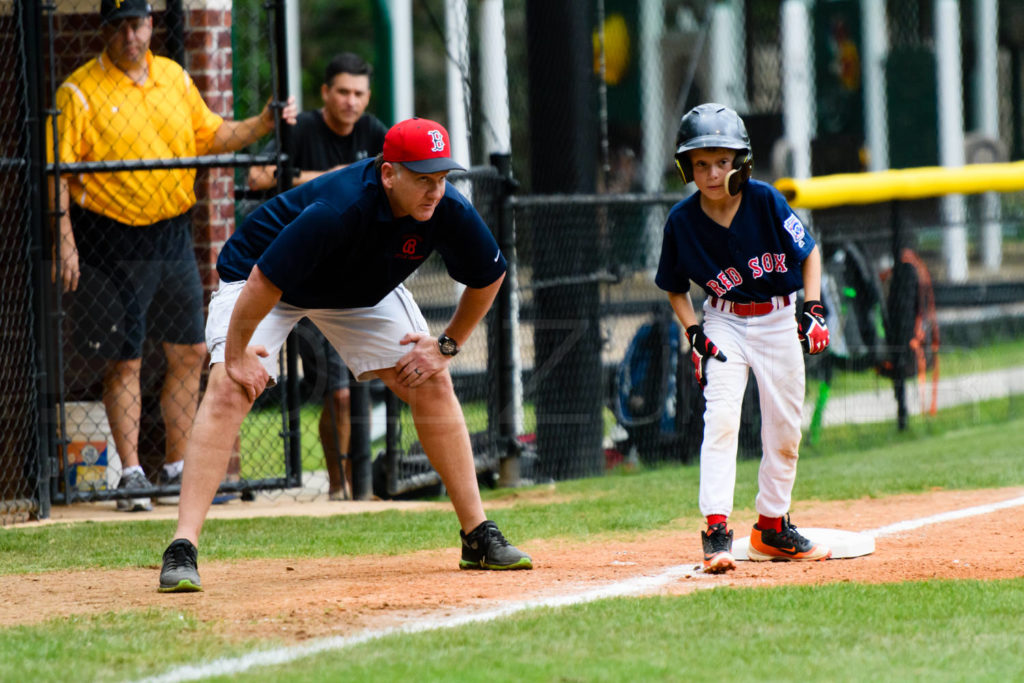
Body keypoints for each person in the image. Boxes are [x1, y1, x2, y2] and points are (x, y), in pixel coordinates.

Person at [158, 117, 533, 592]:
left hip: (357, 290)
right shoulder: (336, 208)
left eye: (441, 178)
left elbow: (489, 275)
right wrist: (234, 356)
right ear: (388, 173)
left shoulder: (446, 207)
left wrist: (445, 348)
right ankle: (181, 547)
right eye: (423, 178)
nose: (435, 191)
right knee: (230, 388)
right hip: (266, 280)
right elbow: (263, 283)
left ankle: (477, 535)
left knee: (431, 379)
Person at [48, 0, 297, 513]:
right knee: (126, 358)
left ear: (149, 25)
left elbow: (212, 136)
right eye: (118, 27)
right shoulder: (79, 90)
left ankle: (181, 468)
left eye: (137, 24)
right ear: (106, 31)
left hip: (171, 234)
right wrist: (64, 238)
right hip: (109, 236)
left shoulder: (174, 77)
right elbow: (58, 176)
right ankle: (132, 475)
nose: (130, 37)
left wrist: (261, 122)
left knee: (188, 352)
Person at [655, 103, 832, 574]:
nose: (712, 173)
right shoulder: (682, 221)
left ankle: (772, 527)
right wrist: (693, 331)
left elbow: (809, 255)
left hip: (777, 321)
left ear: (741, 162)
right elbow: (674, 286)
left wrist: (812, 309)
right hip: (724, 323)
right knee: (722, 420)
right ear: (686, 168)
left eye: (722, 160)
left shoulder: (766, 201)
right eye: (700, 163)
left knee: (785, 428)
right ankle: (716, 532)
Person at [248, 52, 388, 500]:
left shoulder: (375, 133)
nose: (350, 102)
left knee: (351, 388)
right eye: (342, 92)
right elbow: (255, 175)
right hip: (297, 272)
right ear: (326, 92)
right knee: (329, 389)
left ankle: (348, 486)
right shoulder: (301, 129)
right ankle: (338, 483)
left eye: (358, 94)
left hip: (352, 276)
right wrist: (331, 178)